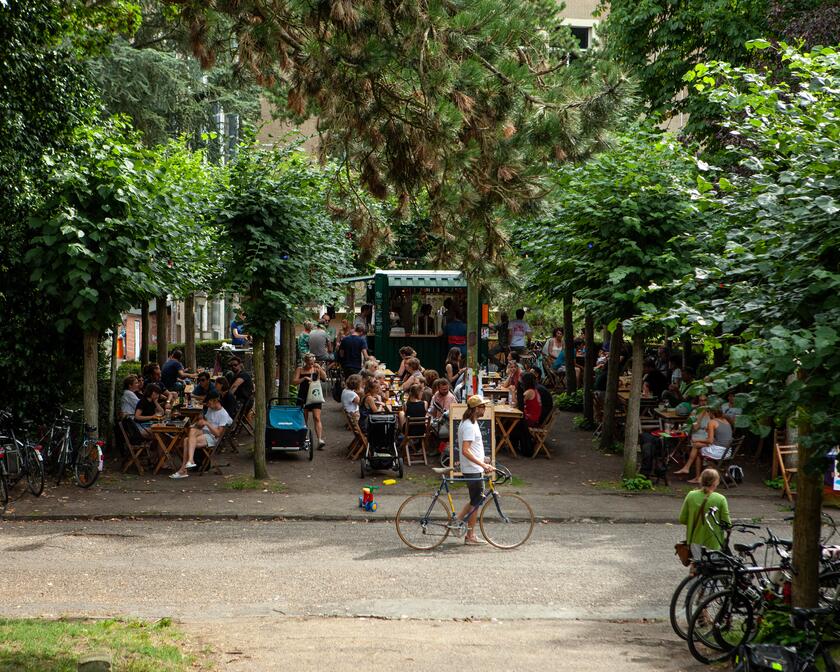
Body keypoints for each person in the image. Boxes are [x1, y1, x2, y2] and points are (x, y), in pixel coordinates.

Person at [456, 395, 495, 546]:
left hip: (475, 467)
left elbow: (472, 448)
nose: (485, 409)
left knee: (475, 499)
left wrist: (483, 460)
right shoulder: (469, 426)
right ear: (476, 409)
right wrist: (483, 465)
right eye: (483, 407)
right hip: (473, 469)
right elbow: (465, 450)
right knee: (476, 502)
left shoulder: (472, 423)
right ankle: (470, 535)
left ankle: (457, 521)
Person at [170, 390, 233, 479]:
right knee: (191, 430)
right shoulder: (211, 409)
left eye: (208, 402)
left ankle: (183, 469)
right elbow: (205, 421)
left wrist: (207, 424)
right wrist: (200, 421)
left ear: (215, 400)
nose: (207, 404)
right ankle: (190, 461)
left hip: (212, 437)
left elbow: (218, 434)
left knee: (186, 440)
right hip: (204, 432)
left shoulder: (223, 414)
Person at [675, 408, 734, 483]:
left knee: (697, 448)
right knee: (698, 446)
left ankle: (693, 473)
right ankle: (691, 471)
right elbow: (718, 439)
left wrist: (697, 440)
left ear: (710, 413)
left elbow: (710, 440)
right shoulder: (726, 421)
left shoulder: (712, 422)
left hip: (719, 452)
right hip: (727, 452)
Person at [678, 468, 730, 551]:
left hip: (694, 540)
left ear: (701, 480)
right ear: (716, 482)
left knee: (696, 563)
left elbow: (682, 519)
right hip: (714, 542)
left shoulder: (691, 495)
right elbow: (727, 523)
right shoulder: (721, 499)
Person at [293, 353, 327, 449]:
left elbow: (324, 378)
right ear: (305, 362)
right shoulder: (300, 369)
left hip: (315, 395)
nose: (311, 365)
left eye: (312, 363)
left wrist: (320, 368)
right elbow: (294, 382)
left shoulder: (316, 368)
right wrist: (303, 378)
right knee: (304, 419)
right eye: (309, 363)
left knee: (317, 417)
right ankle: (304, 438)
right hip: (303, 395)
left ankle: (320, 439)